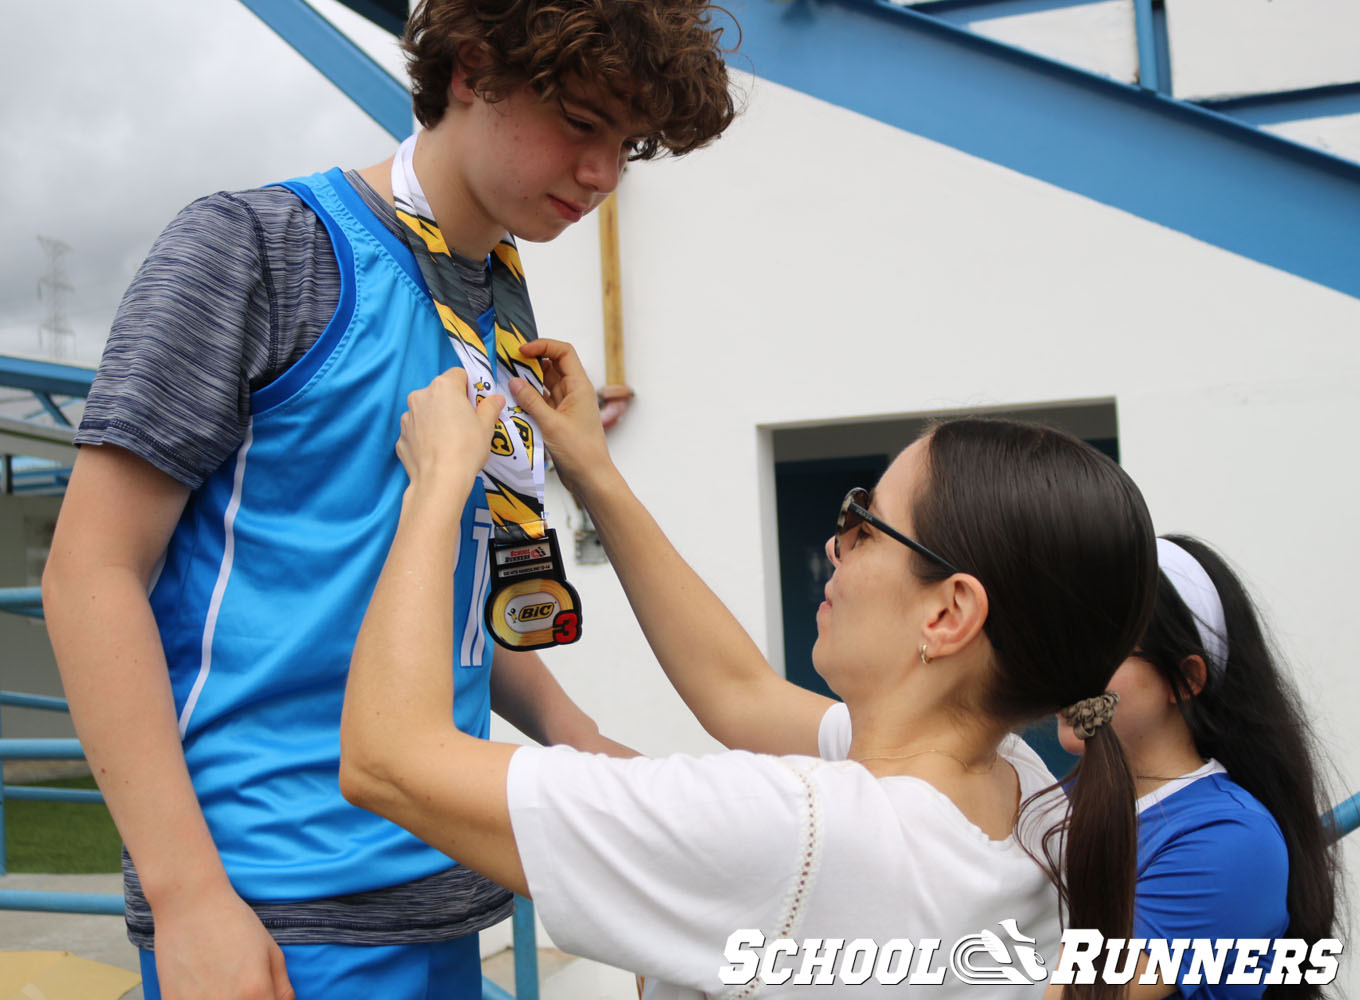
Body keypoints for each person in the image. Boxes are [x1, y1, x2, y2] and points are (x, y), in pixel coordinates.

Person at [41, 3, 736, 998]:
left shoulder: (495, 298)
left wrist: (584, 748)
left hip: (444, 874)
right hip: (273, 906)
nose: (603, 175)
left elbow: (441, 598)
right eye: (582, 122)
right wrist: (189, 894)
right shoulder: (257, 246)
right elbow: (88, 572)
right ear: (472, 67)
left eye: (627, 145)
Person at [338, 341, 1160, 1000]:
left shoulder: (803, 834)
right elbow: (740, 692)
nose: (837, 542)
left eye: (867, 523)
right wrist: (592, 469)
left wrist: (438, 487)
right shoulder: (1019, 796)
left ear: (948, 614)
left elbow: (389, 759)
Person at [1055, 535, 1339, 1000]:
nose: (1069, 669)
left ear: (1185, 680)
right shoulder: (1050, 797)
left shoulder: (1229, 839)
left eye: (1104, 648)